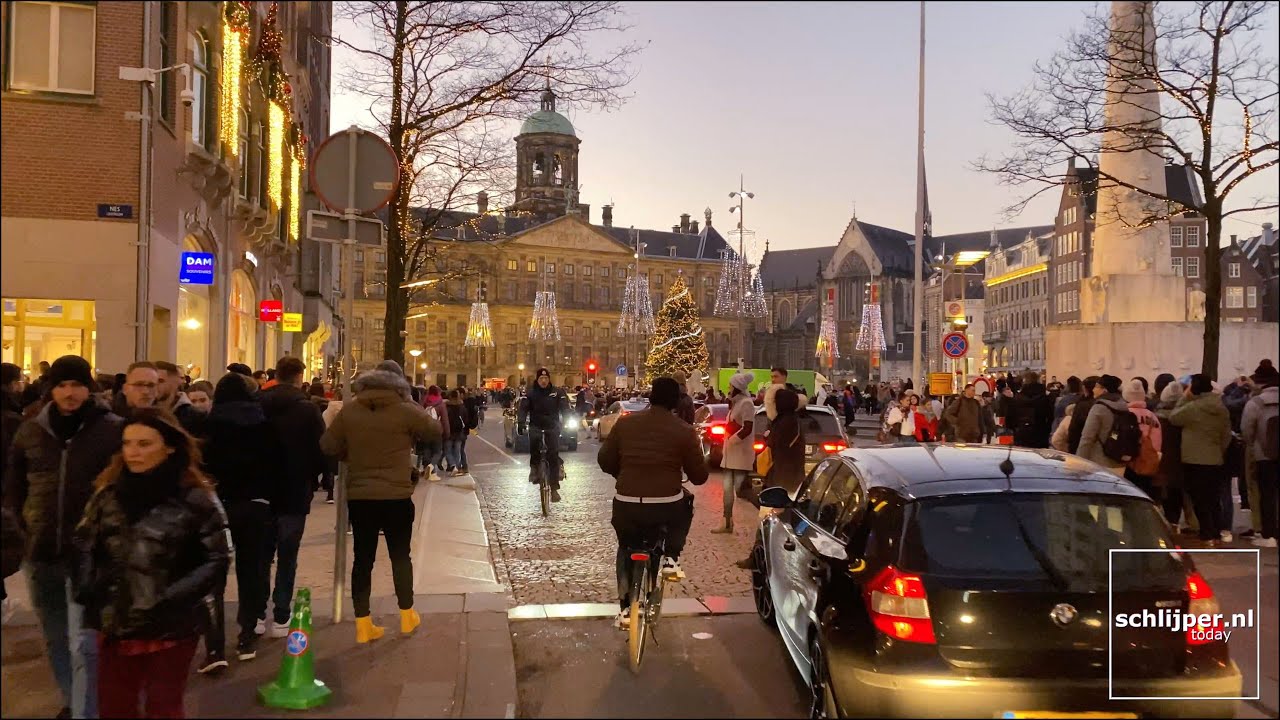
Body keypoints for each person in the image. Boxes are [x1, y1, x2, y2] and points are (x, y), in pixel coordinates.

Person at [73, 408, 228, 718]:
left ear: (169, 446)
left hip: (171, 624)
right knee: (115, 706)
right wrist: (88, 586)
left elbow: (217, 558)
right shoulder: (107, 495)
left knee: (163, 705)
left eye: (144, 444)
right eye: (127, 443)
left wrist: (169, 598)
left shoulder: (196, 498)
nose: (133, 452)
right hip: (115, 619)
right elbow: (84, 543)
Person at [5, 355, 123, 719]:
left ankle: (88, 710)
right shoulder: (31, 430)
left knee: (83, 642)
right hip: (40, 552)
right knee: (55, 636)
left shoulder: (112, 430)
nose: (69, 393)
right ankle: (74, 701)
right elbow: (15, 488)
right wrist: (25, 529)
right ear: (50, 389)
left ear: (89, 388)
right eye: (61, 385)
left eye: (76, 385)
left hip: (87, 555)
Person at [321, 364, 441, 643]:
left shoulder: (350, 410)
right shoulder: (404, 409)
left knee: (363, 559)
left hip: (361, 497)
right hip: (396, 495)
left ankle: (363, 623)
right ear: (398, 385)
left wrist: (349, 453)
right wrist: (410, 405)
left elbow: (327, 445)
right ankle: (407, 615)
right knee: (400, 557)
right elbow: (434, 430)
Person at [597, 377, 708, 629]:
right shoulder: (684, 430)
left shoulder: (625, 424)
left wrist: (622, 474)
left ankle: (625, 609)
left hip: (627, 503)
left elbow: (604, 460)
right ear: (675, 402)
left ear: (650, 396)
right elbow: (699, 477)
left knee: (626, 547)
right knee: (685, 504)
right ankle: (671, 557)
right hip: (665, 505)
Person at [202, 372, 275, 663]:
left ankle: (215, 645)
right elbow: (274, 463)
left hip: (218, 505)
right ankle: (247, 634)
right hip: (255, 504)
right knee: (252, 569)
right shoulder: (262, 424)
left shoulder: (209, 425)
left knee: (214, 575)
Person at [259, 356, 326, 639]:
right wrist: (313, 476)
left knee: (261, 555)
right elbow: (321, 449)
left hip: (261, 489)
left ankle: (256, 613)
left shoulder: (257, 403)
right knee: (287, 555)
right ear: (299, 376)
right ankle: (282, 614)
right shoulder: (307, 409)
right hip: (295, 490)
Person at [1170, 374, 1234, 545]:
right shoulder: (1221, 407)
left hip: (1194, 459)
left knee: (1199, 499)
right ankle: (1216, 532)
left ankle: (1207, 534)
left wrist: (1184, 397)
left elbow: (1174, 417)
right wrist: (1218, 450)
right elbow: (1226, 435)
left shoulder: (1193, 407)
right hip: (1215, 458)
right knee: (1213, 498)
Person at [714, 372, 756, 535]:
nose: (728, 388)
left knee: (741, 490)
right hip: (730, 454)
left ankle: (766, 512)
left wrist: (733, 439)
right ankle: (726, 521)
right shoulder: (735, 403)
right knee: (727, 489)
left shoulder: (746, 403)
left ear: (737, 387)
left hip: (740, 454)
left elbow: (747, 428)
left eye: (730, 386)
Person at [1241, 362, 1279, 547]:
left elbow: (1246, 430)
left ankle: (1269, 535)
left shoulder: (1256, 403)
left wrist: (1253, 445)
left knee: (1267, 494)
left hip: (1264, 455)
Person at [518, 368, 570, 501]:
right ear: (537, 380)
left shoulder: (557, 392)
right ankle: (535, 469)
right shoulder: (530, 393)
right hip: (536, 425)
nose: (544, 381)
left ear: (549, 379)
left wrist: (567, 421)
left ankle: (554, 489)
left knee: (553, 454)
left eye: (546, 378)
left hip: (552, 426)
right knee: (534, 444)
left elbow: (565, 408)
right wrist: (521, 423)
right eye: (541, 378)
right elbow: (523, 409)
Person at [1075, 374, 1131, 477]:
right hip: (1120, 461)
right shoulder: (1125, 406)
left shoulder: (1099, 408)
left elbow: (1087, 438)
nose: (1093, 389)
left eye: (1096, 386)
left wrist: (1079, 463)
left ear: (1104, 391)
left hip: (1099, 462)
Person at [1121, 379, 1163, 499]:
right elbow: (1157, 440)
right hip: (1147, 461)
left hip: (1127, 461)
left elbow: (1118, 436)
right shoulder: (1152, 416)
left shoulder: (1124, 414)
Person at [154, 361, 204, 435]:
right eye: (152, 381)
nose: (154, 385)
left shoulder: (195, 417)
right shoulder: (145, 412)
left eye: (160, 381)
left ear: (175, 383)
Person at [1007, 371, 1053, 448]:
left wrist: (1016, 429)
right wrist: (1046, 430)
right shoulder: (1045, 398)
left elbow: (1009, 420)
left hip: (1021, 434)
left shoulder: (1017, 398)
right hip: (1040, 434)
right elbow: (1050, 417)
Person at [309, 382, 336, 503]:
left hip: (313, 434)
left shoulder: (309, 403)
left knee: (313, 460)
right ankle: (328, 485)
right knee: (327, 464)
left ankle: (314, 483)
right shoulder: (327, 404)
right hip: (325, 433)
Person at [1066, 376, 1102, 454]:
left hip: (1082, 447)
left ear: (1085, 388)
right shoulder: (1107, 404)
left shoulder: (1083, 405)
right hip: (1102, 449)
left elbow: (1074, 430)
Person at [444, 389, 468, 477]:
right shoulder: (462, 407)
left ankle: (452, 465)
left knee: (448, 450)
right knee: (457, 451)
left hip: (449, 432)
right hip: (459, 432)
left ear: (450, 396)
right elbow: (466, 420)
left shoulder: (446, 407)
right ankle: (457, 468)